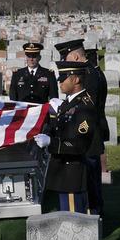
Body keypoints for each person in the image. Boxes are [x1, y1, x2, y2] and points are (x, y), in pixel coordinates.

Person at [37, 58, 98, 214]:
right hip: (63, 172)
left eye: (64, 79)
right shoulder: (67, 103)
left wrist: (51, 142)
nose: (60, 82)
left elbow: (79, 145)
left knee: (74, 221)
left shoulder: (84, 107)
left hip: (73, 173)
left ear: (76, 79)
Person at [56, 39, 109, 215]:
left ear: (76, 56)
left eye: (67, 57)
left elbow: (86, 108)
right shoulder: (94, 70)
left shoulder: (89, 75)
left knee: (89, 186)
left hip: (87, 136)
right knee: (92, 184)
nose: (65, 61)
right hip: (92, 134)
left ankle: (94, 220)